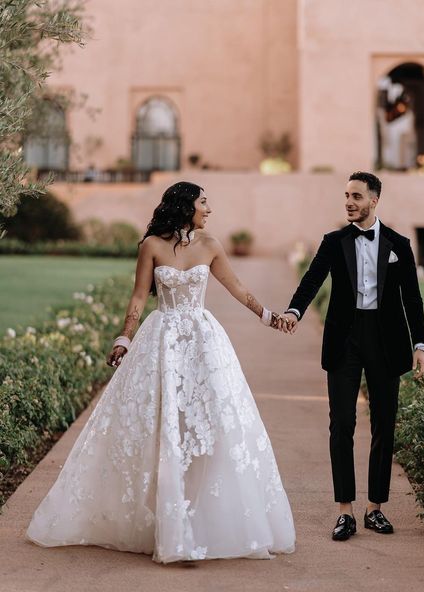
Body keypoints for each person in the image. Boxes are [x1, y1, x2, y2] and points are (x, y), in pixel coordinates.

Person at [26, 181, 295, 563]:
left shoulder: (211, 245)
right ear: (186, 205)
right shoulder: (151, 245)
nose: (209, 209)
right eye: (204, 202)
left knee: (206, 424)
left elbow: (237, 288)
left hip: (203, 344)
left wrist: (271, 318)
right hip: (161, 340)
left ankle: (199, 517)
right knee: (162, 425)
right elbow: (139, 295)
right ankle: (167, 523)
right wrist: (124, 337)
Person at [277, 171, 424, 541]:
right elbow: (312, 279)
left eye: (356, 196)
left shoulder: (398, 244)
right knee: (341, 423)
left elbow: (412, 297)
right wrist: (295, 311)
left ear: (374, 200)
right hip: (345, 338)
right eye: (346, 195)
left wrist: (420, 345)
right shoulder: (334, 241)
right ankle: (344, 511)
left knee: (383, 423)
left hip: (386, 338)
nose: (349, 202)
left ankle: (375, 507)